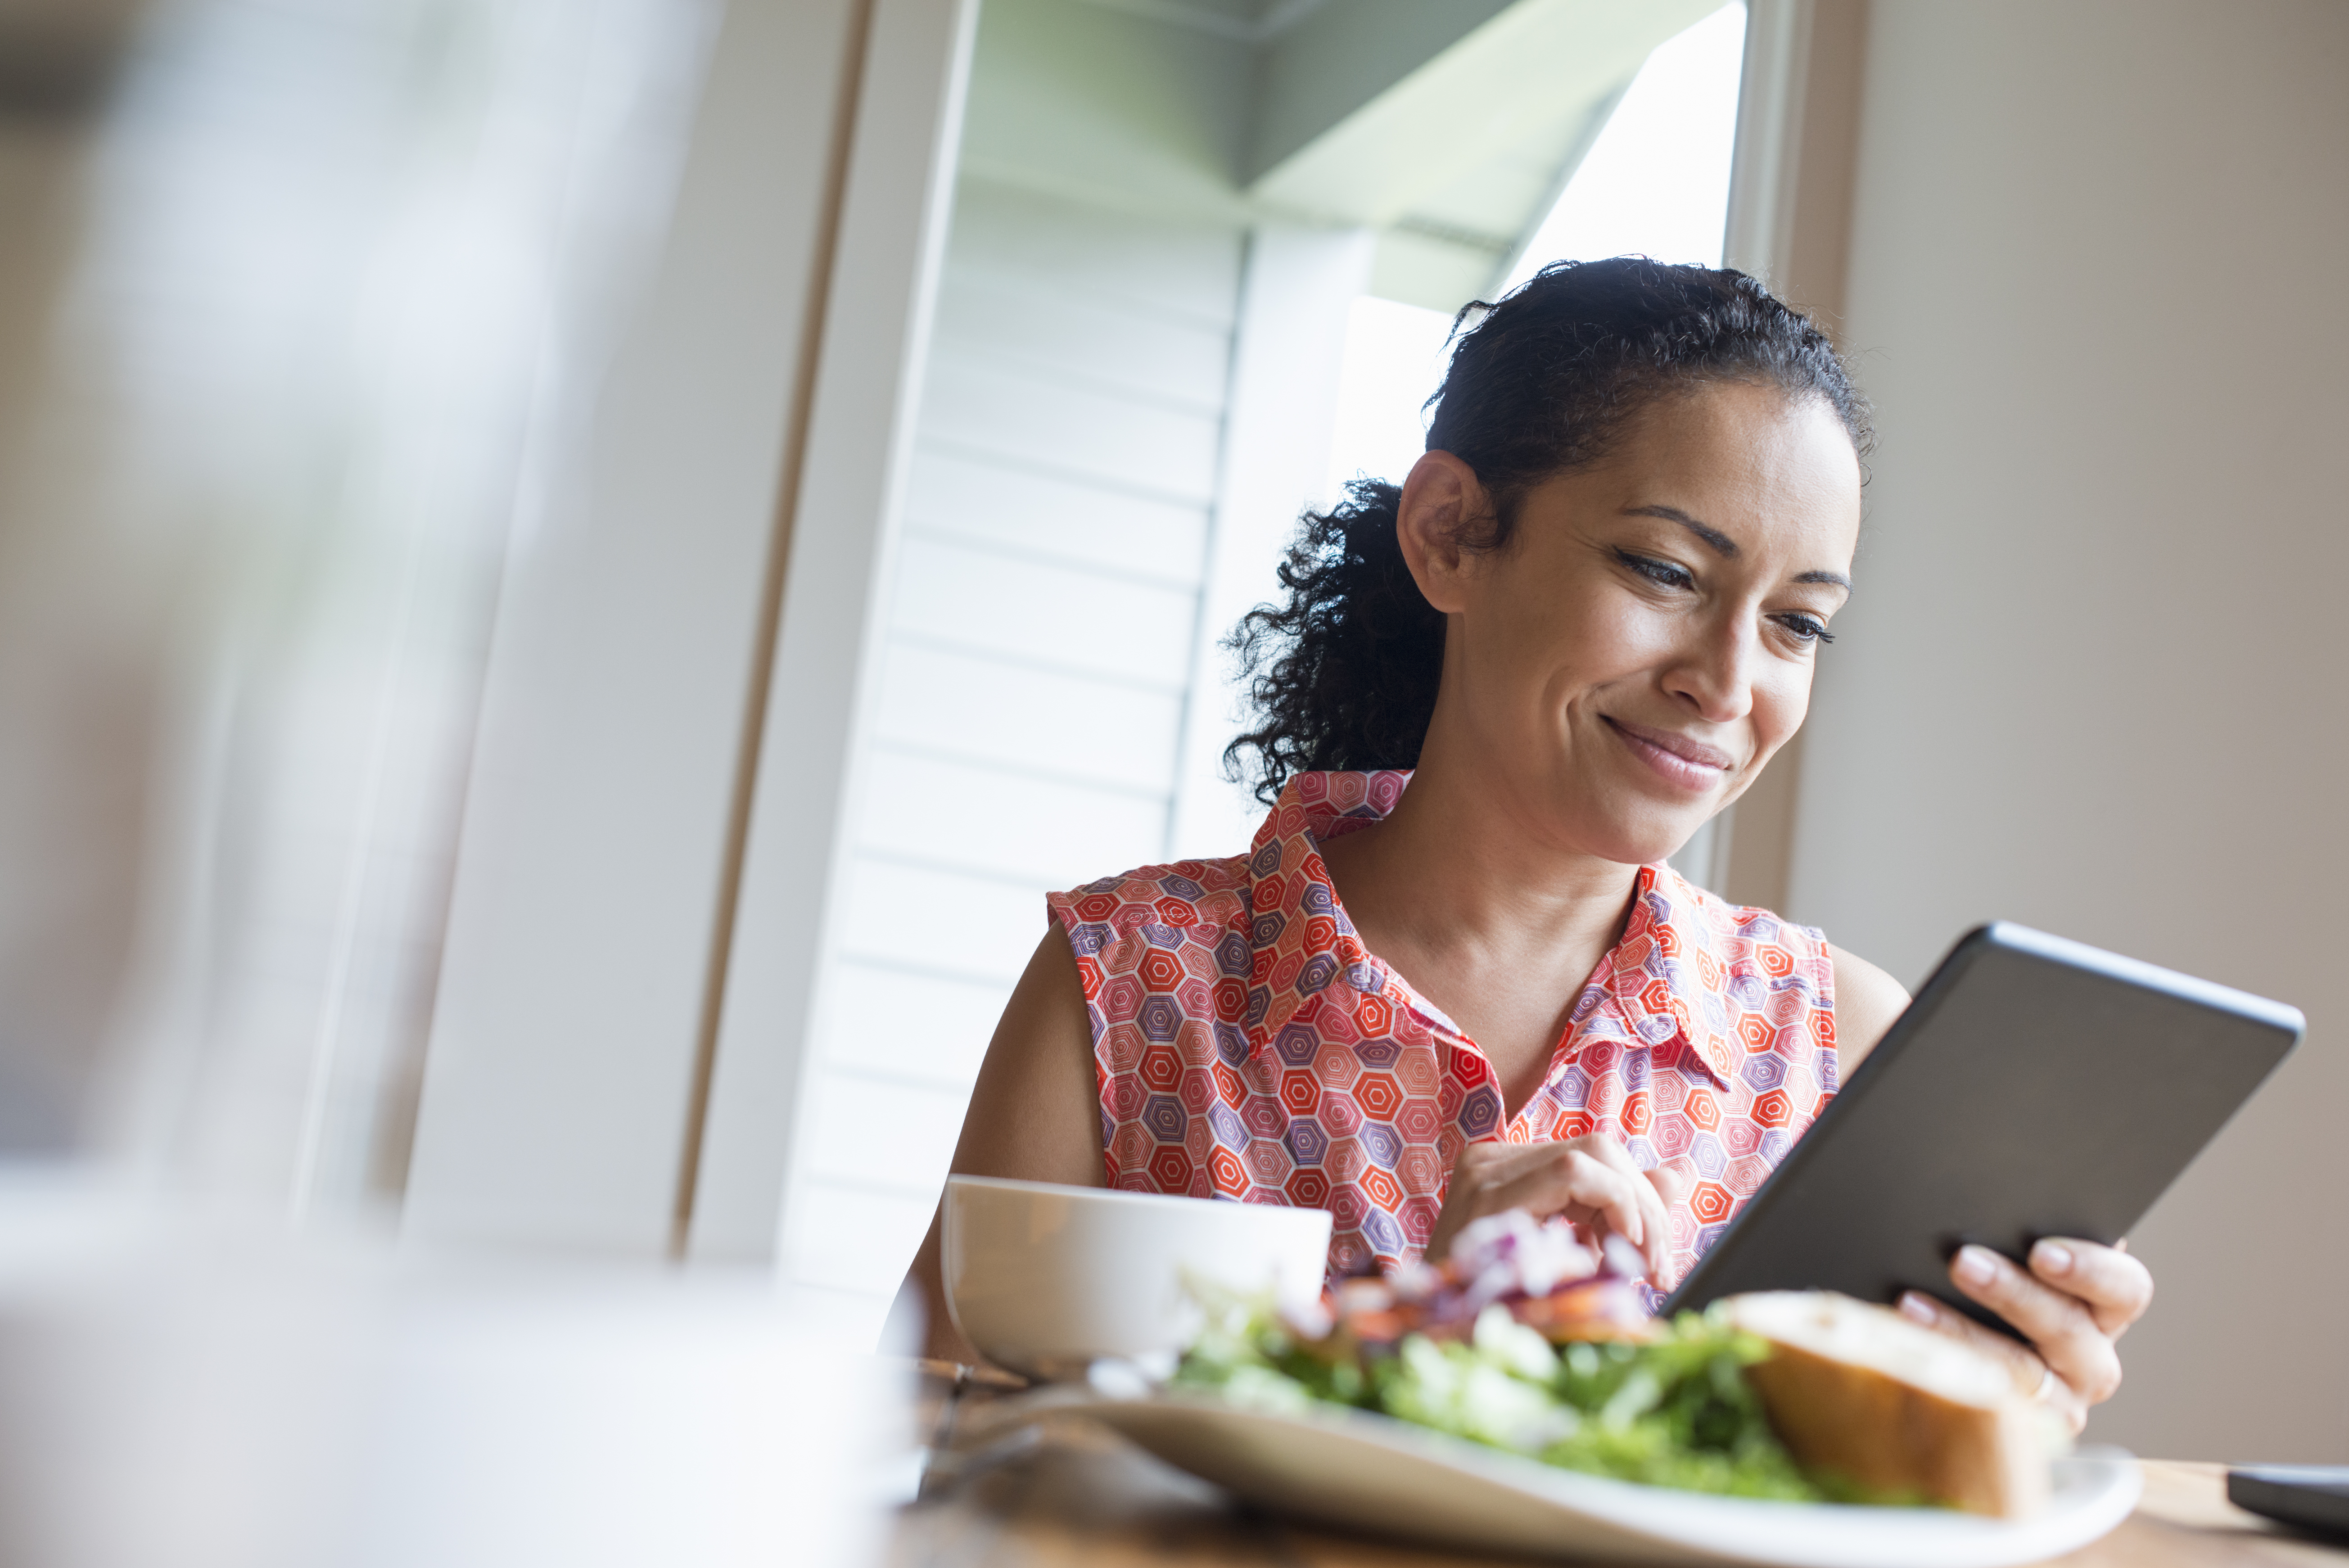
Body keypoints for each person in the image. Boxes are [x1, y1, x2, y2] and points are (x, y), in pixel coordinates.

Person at [898, 258, 2150, 1431]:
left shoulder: (1843, 1052)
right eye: (1663, 568)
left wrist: (1987, 1416)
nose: (1726, 681)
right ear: (1450, 532)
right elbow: (925, 1455)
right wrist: (1414, 1338)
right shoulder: (1128, 986)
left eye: (1795, 625)